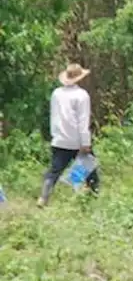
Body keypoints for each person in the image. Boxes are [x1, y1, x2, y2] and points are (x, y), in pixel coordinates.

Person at [40, 63, 98, 206]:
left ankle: (43, 197)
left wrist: (55, 135)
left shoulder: (56, 93)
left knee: (54, 171)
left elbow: (54, 116)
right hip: (77, 140)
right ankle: (91, 199)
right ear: (80, 78)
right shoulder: (82, 95)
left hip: (59, 139)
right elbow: (83, 121)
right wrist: (85, 143)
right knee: (90, 170)